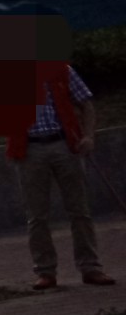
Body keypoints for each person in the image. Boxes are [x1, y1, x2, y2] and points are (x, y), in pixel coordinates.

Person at [8, 64, 115, 290]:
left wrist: (89, 136)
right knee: (37, 215)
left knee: (80, 210)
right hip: (29, 149)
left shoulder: (61, 70)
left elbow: (86, 104)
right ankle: (45, 271)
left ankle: (90, 267)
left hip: (65, 145)